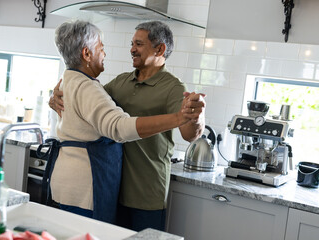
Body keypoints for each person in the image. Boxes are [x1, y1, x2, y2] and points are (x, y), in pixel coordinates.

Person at [49, 21, 206, 231]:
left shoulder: (173, 87)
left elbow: (190, 135)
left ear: (160, 49)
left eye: (139, 44)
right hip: (113, 189)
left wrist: (196, 117)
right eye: (132, 43)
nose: (132, 49)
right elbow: (85, 103)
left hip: (146, 191)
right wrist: (57, 97)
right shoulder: (120, 82)